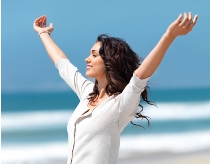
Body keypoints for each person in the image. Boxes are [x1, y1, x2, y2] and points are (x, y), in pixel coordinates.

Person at [33, 13, 198, 164]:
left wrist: (169, 36)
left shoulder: (121, 104)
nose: (87, 59)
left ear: (110, 62)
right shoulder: (87, 93)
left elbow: (140, 76)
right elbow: (63, 64)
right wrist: (43, 33)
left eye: (94, 55)